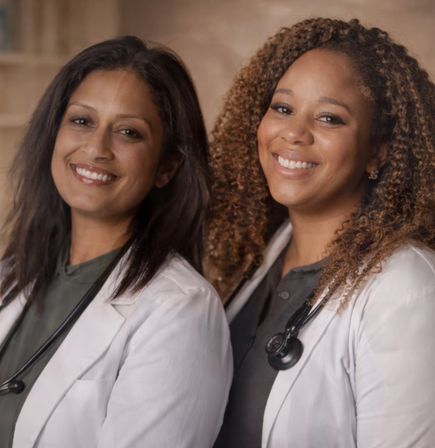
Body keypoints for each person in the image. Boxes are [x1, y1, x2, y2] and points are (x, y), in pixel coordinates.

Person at [206, 17, 435, 448]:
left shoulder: (408, 289)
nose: (293, 133)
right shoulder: (264, 255)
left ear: (379, 149)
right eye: (283, 108)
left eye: (329, 118)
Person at [0, 36, 232, 448]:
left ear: (166, 167)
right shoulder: (13, 272)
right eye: (82, 121)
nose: (96, 148)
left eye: (128, 132)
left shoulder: (180, 310)